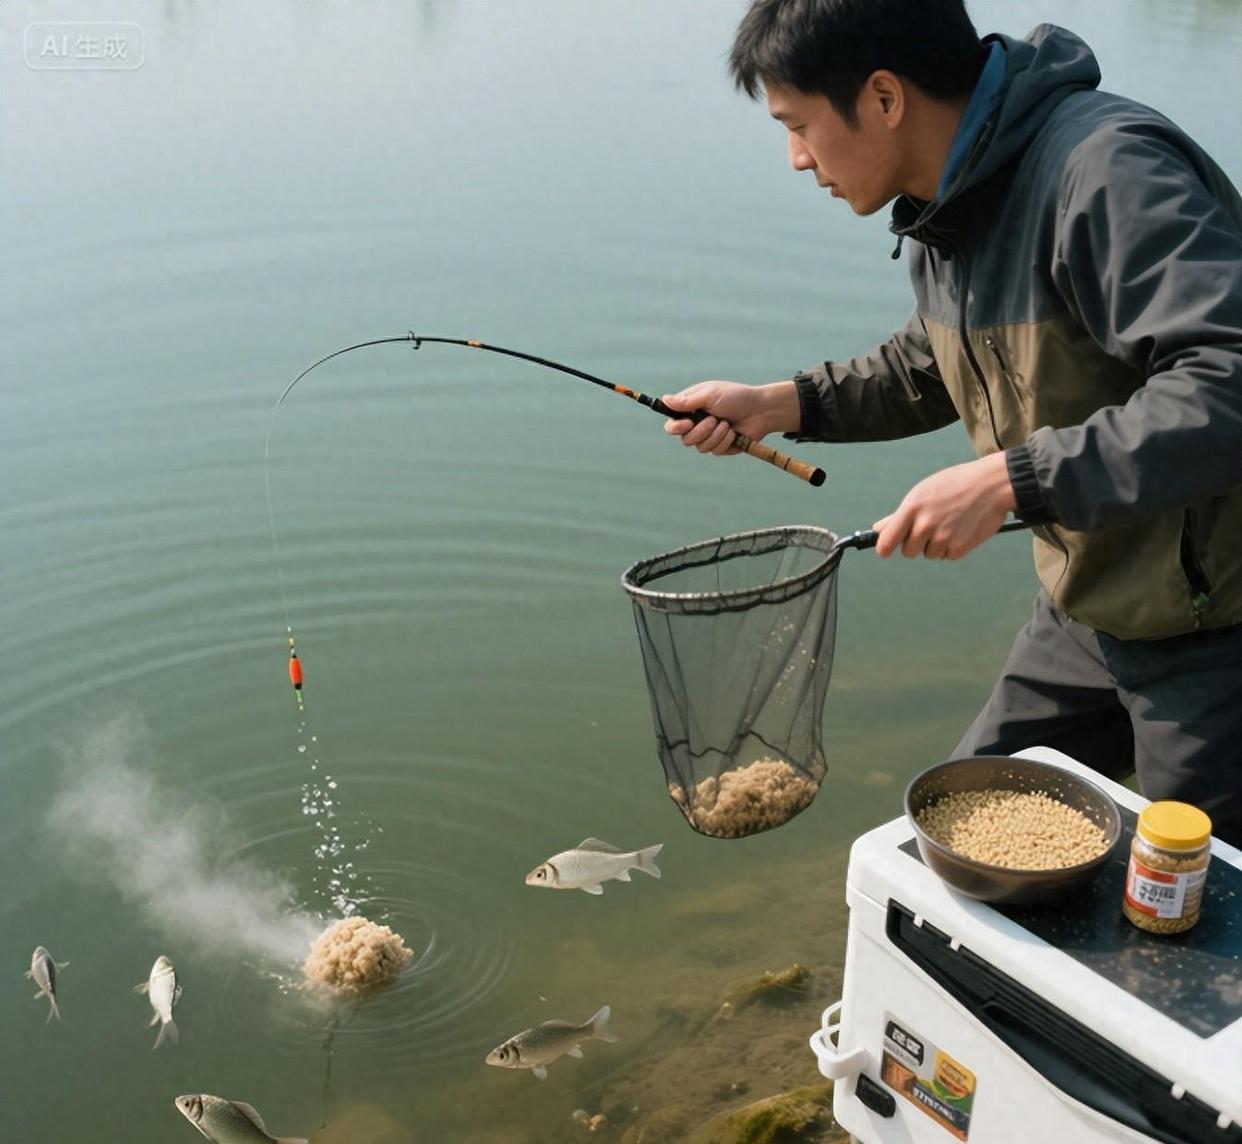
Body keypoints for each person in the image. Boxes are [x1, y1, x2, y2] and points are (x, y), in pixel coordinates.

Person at [662, 0, 1242, 847]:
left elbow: (1227, 377)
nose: (795, 159)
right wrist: (778, 404)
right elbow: (935, 362)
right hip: (1088, 610)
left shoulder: (1106, 173)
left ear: (886, 97)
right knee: (948, 846)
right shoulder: (954, 198)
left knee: (1194, 920)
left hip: (1216, 626)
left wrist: (1011, 480)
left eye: (799, 126)